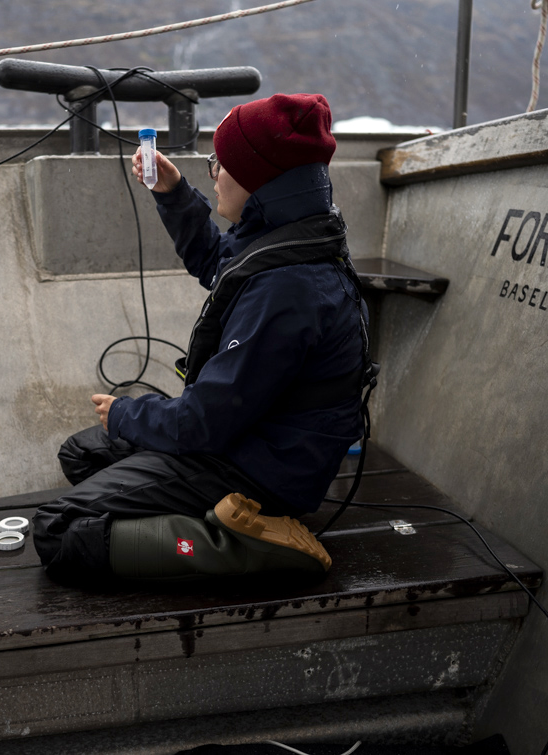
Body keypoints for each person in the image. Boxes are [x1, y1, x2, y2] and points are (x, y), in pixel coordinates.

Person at [31, 93, 371, 584]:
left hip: (261, 471)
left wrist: (128, 412)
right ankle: (203, 516)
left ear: (257, 180)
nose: (214, 173)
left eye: (221, 163)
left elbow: (203, 424)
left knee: (58, 531)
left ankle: (243, 543)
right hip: (257, 439)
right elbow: (220, 265)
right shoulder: (291, 231)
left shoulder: (289, 290)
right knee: (81, 452)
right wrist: (173, 193)